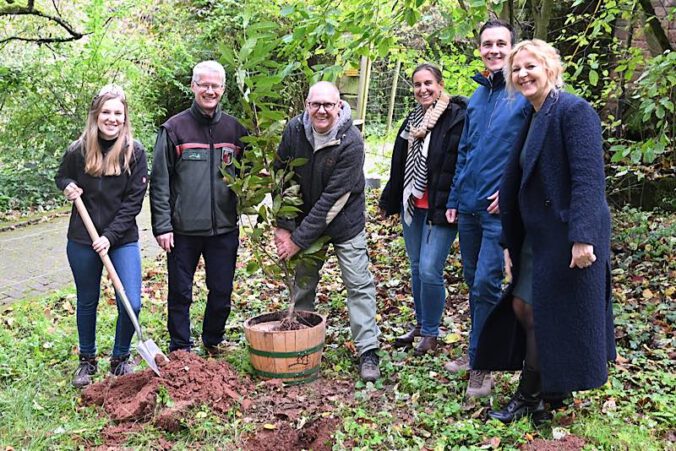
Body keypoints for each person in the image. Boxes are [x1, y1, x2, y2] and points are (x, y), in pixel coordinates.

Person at [474, 39, 616, 423]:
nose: (523, 74)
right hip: (537, 235)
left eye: (530, 66)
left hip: (568, 232)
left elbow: (589, 179)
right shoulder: (532, 113)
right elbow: (518, 180)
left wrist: (583, 236)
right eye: (516, 69)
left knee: (538, 311)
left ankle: (530, 397)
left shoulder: (573, 111)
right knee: (524, 306)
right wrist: (510, 240)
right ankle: (550, 387)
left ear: (550, 68)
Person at [443, 19, 530, 398]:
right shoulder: (477, 97)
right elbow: (465, 150)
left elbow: (533, 152)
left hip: (499, 212)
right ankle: (478, 349)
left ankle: (485, 366)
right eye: (487, 44)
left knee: (486, 285)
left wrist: (510, 193)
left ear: (513, 48)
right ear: (479, 49)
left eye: (501, 44)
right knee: (471, 281)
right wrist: (454, 199)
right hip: (469, 207)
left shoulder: (525, 95)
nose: (493, 50)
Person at [274, 81, 381, 382]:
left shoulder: (352, 141)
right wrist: (284, 225)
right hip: (307, 218)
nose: (321, 111)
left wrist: (297, 239)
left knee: (358, 284)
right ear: (307, 105)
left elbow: (333, 202)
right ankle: (302, 343)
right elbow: (282, 176)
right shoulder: (295, 131)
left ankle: (368, 351)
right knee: (303, 284)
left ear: (339, 106)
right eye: (315, 104)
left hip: (344, 222)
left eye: (328, 105)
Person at [150, 61, 248, 354]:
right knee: (180, 292)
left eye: (215, 85)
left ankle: (213, 339)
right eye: (203, 84)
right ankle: (180, 346)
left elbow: (253, 173)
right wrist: (163, 225)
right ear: (193, 87)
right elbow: (160, 181)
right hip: (182, 231)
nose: (209, 90)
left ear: (223, 89)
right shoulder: (174, 129)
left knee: (221, 292)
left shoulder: (235, 130)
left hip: (224, 229)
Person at [55, 84, 148, 388]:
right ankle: (87, 361)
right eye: (106, 112)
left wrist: (109, 236)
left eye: (117, 113)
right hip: (82, 240)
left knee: (131, 301)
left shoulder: (135, 152)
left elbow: (133, 203)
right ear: (96, 116)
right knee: (87, 300)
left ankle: (120, 358)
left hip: (121, 239)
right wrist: (67, 186)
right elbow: (61, 175)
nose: (111, 118)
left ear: (125, 117)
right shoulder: (78, 150)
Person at [379, 64, 466, 356]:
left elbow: (459, 164)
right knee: (416, 267)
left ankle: (432, 331)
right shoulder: (412, 119)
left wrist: (456, 200)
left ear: (440, 84)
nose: (422, 89)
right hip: (413, 204)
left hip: (442, 206)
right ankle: (420, 325)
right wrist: (389, 200)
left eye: (428, 83)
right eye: (417, 85)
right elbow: (398, 163)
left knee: (430, 268)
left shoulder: (456, 117)